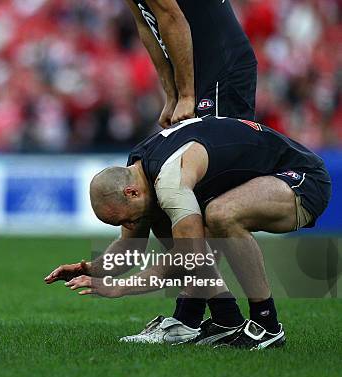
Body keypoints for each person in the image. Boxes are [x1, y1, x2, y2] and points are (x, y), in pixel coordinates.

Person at [46, 116, 331, 349]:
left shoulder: (169, 180)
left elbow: (190, 256)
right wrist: (91, 269)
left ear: (131, 193)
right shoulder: (139, 172)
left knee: (220, 215)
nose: (130, 226)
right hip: (266, 178)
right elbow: (130, 248)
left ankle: (267, 325)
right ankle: (226, 319)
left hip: (302, 178)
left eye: (126, 219)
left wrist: (120, 287)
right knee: (173, 223)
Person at [117, 0, 258, 342]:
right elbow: (146, 25)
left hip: (220, 70)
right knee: (187, 196)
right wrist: (171, 92)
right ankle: (202, 316)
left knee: (198, 195)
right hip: (202, 74)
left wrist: (187, 93)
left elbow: (171, 16)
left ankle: (202, 318)